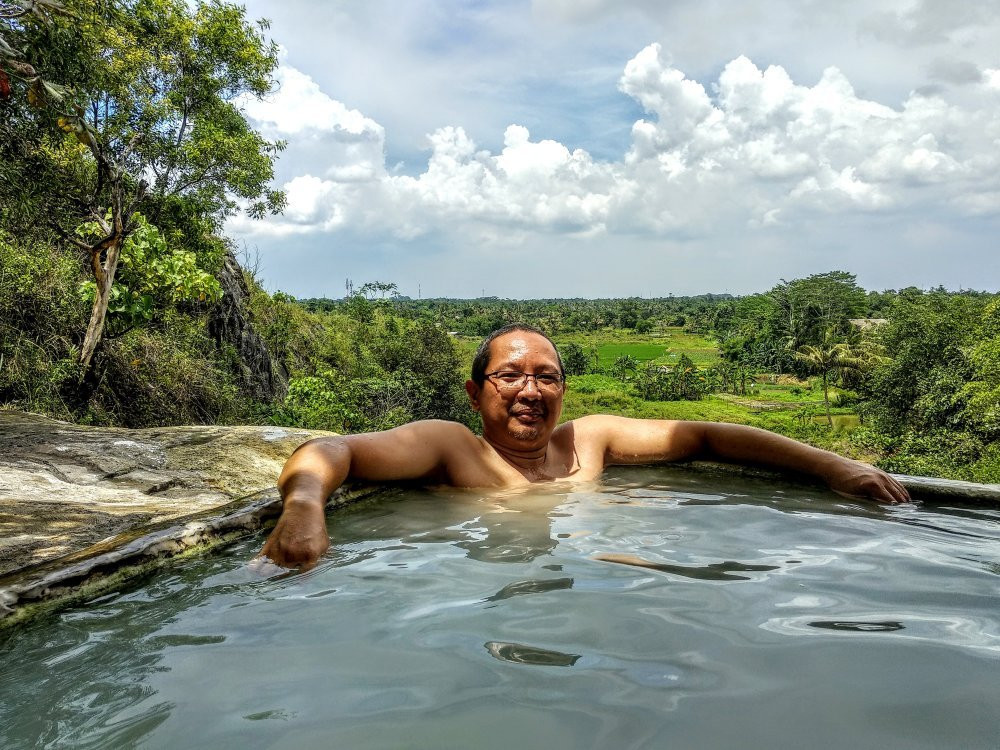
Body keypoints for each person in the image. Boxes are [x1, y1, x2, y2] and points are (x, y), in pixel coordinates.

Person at [259, 323, 909, 568]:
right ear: (474, 391)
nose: (529, 391)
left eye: (546, 377)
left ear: (564, 390)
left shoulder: (587, 444)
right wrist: (306, 506)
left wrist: (835, 467)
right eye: (510, 375)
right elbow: (332, 450)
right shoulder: (455, 448)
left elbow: (706, 435)